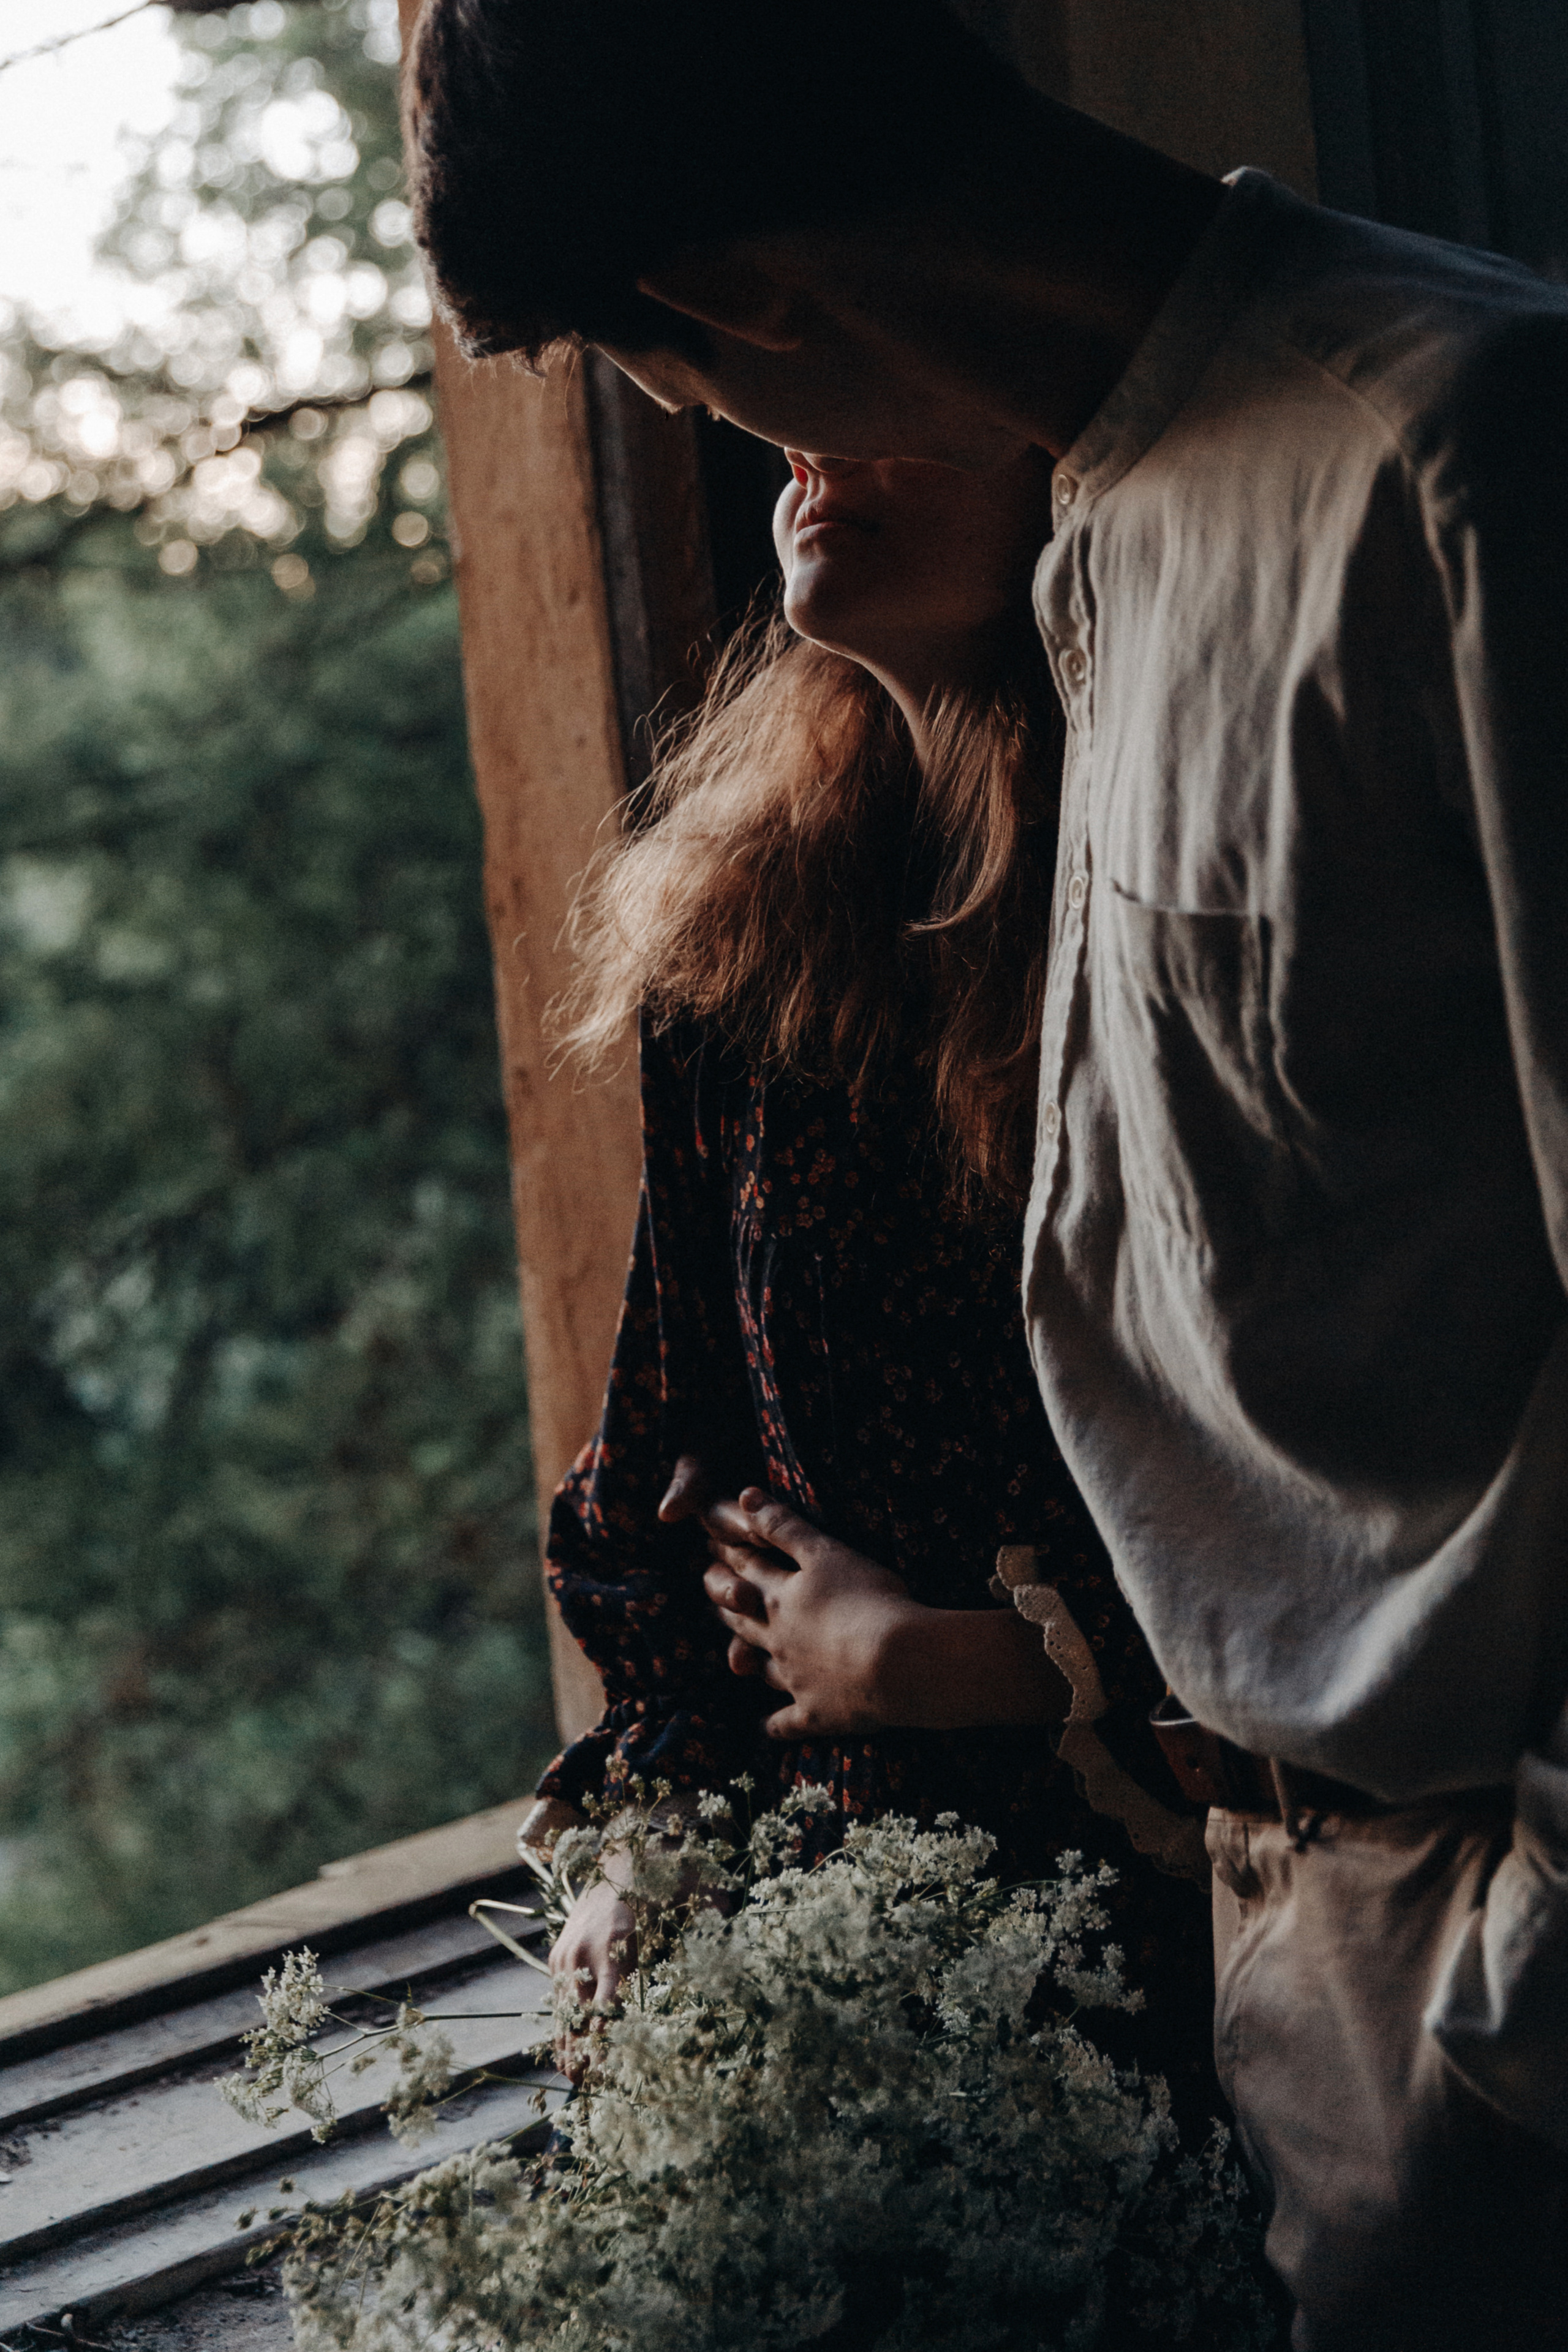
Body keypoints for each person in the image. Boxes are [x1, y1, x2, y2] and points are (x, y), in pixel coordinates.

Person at [408, 6, 1568, 2343]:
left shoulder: (1469, 460)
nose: (762, 461)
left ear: (743, 303)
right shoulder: (1113, 531)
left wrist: (1517, 2009)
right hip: (1286, 1963)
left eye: (687, 397)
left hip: (1488, 1995)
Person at [520, 444, 1218, 2131]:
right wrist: (650, 1844)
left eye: (888, 411)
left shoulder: (1180, 905)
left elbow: (1341, 1520)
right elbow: (655, 1459)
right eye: (794, 422)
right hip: (836, 1923)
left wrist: (960, 1662)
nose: (814, 454)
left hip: (1185, 1912)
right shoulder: (746, 939)